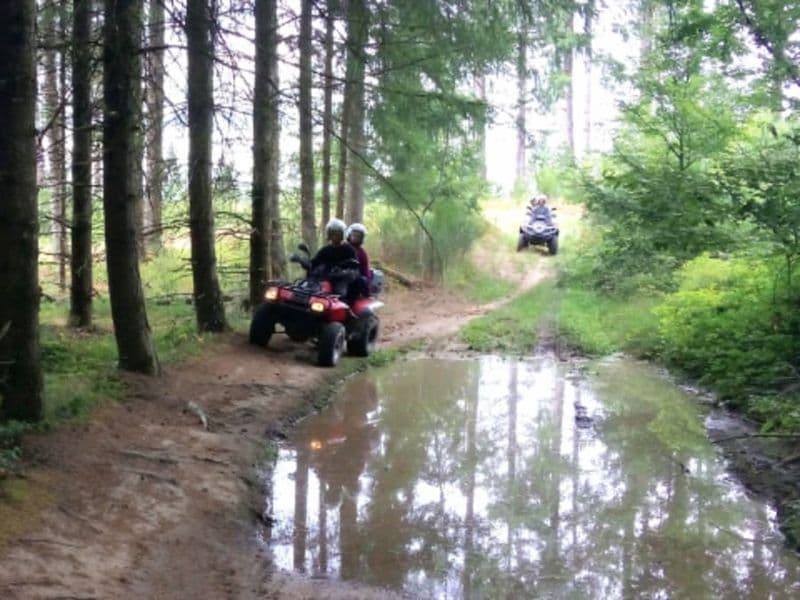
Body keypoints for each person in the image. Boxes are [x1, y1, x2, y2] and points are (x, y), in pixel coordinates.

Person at [310, 219, 358, 294]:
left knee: (340, 292)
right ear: (328, 234)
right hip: (325, 277)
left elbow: (354, 266)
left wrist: (345, 271)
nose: (334, 237)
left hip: (341, 278)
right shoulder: (325, 249)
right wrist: (304, 262)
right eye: (332, 234)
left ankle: (344, 304)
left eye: (337, 234)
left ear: (342, 235)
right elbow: (315, 262)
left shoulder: (349, 250)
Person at [345, 222, 372, 301]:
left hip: (354, 279)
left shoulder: (362, 253)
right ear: (349, 235)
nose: (355, 238)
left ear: (362, 238)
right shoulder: (343, 247)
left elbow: (365, 271)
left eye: (358, 236)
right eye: (354, 235)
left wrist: (368, 290)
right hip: (340, 275)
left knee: (362, 280)